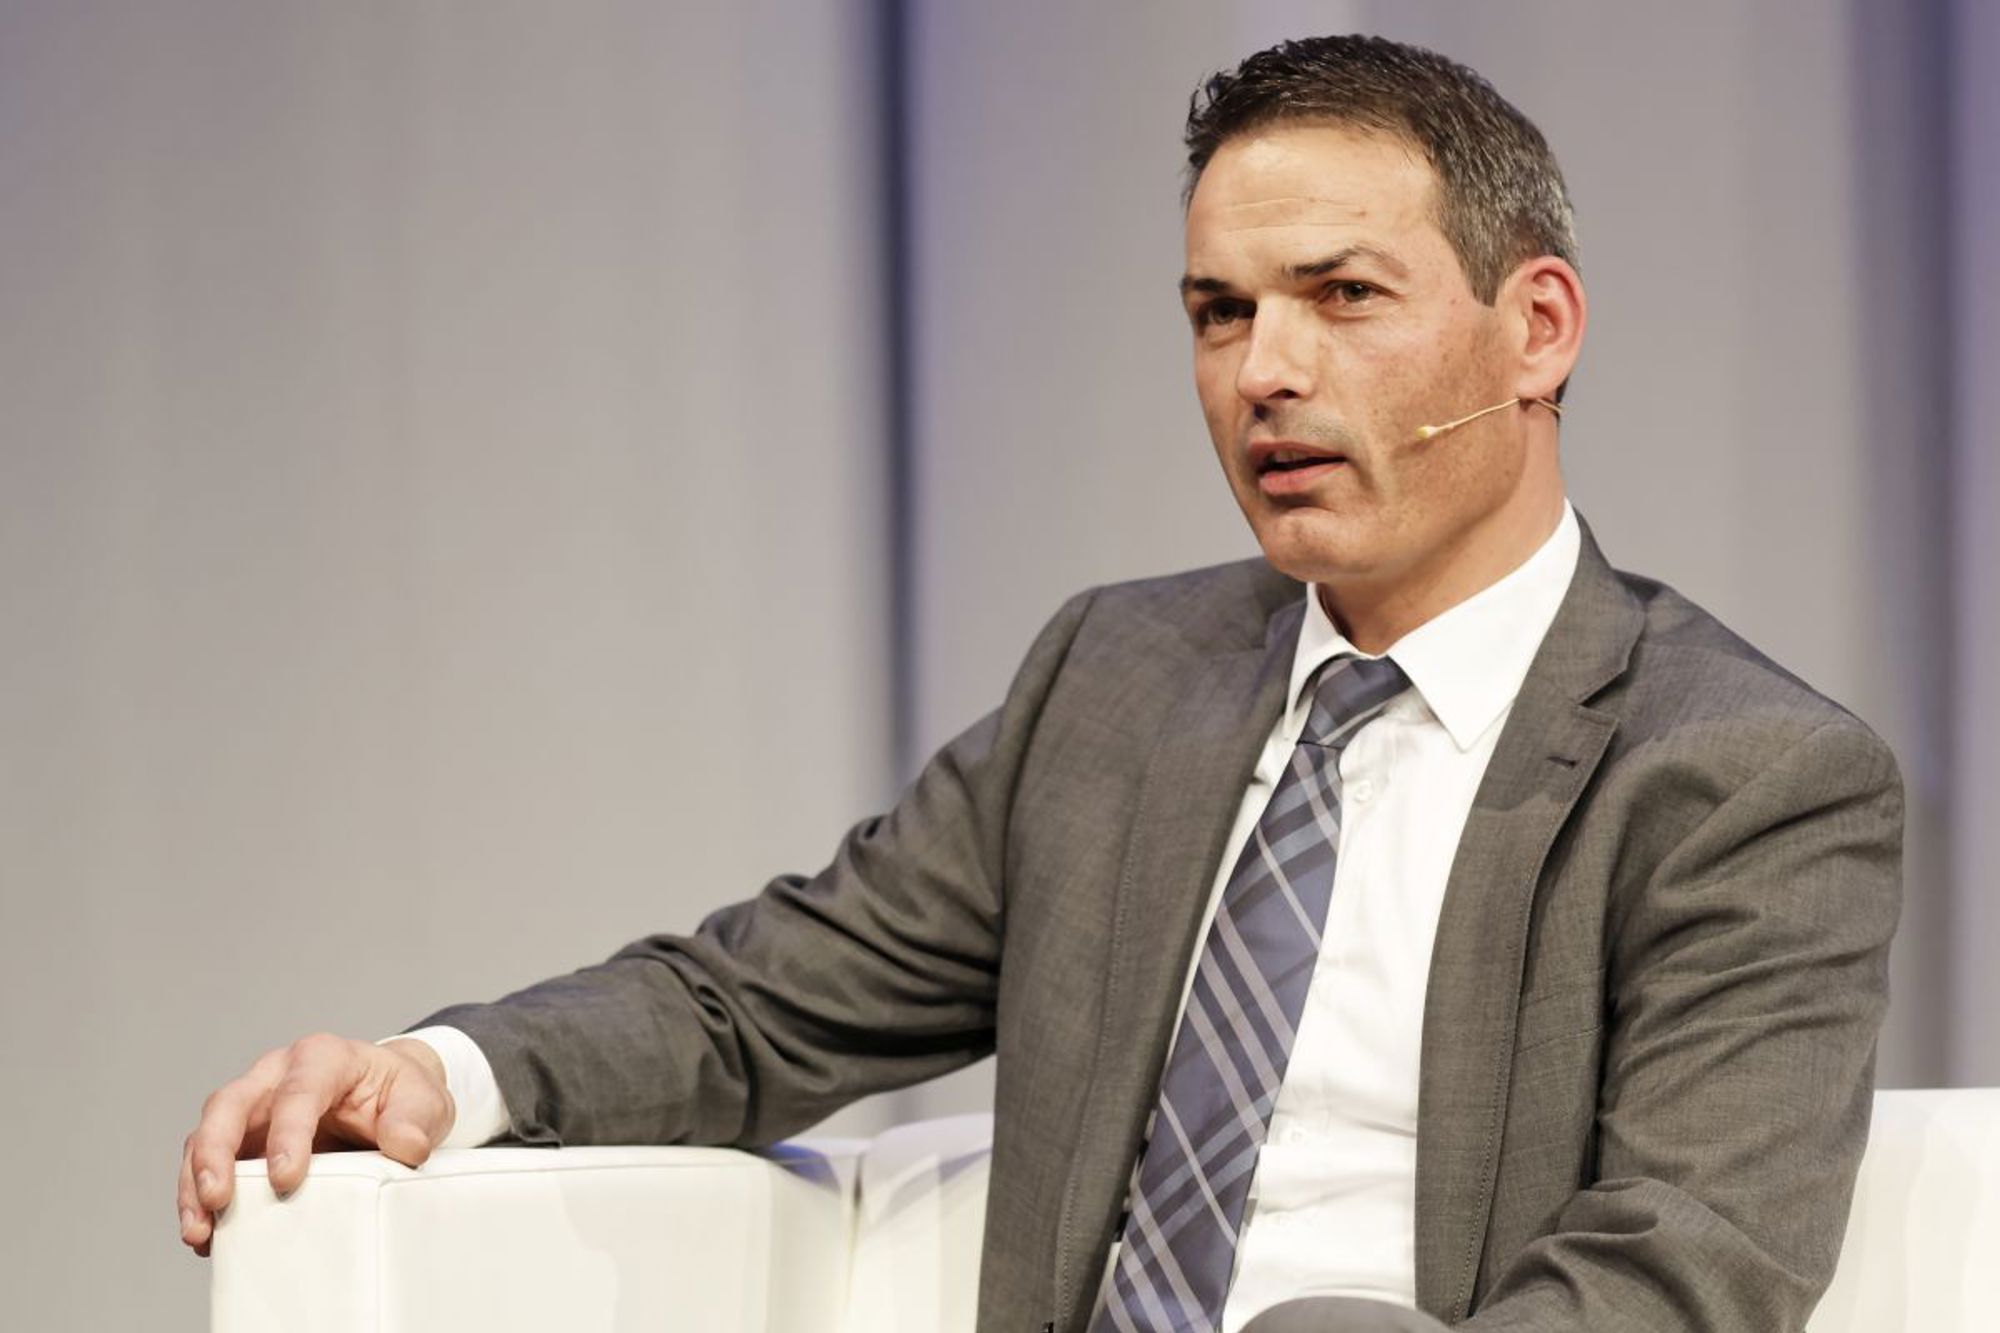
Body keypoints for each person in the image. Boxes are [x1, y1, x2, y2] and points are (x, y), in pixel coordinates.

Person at [176, 33, 1903, 1333]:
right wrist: (441, 1070)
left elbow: (1683, 1271)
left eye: (1341, 296)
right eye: (1219, 312)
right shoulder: (1121, 679)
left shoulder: (1744, 771)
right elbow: (761, 1001)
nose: (1266, 371)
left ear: (1537, 329)